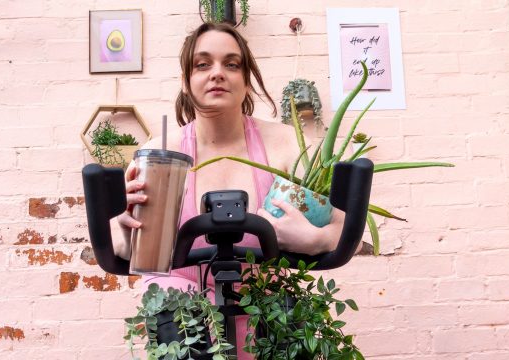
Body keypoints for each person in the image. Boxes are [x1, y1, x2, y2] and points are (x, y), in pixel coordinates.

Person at [116, 22, 349, 359]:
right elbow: (121, 246)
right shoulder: (159, 155)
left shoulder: (286, 145)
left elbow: (344, 226)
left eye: (231, 63)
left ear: (246, 80)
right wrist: (127, 231)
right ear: (186, 81)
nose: (217, 73)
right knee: (172, 315)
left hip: (267, 307)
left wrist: (318, 240)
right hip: (182, 314)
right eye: (202, 64)